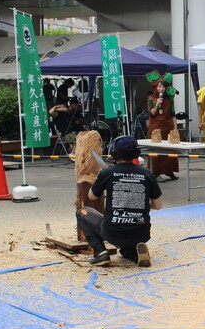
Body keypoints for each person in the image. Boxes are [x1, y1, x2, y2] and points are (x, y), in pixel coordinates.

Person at [76, 136, 162, 267]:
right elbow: (158, 205)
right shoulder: (147, 173)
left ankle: (100, 253)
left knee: (82, 212)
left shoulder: (108, 172)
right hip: (141, 234)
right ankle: (133, 252)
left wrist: (101, 180)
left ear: (114, 153)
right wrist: (138, 203)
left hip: (113, 232)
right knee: (126, 246)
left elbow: (91, 196)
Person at [147, 74, 179, 181]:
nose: (161, 89)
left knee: (169, 149)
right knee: (157, 149)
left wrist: (175, 127)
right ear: (156, 87)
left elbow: (173, 113)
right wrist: (157, 104)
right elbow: (151, 113)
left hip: (168, 126)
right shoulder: (151, 99)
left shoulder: (169, 99)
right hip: (155, 127)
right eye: (159, 86)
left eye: (163, 87)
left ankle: (169, 171)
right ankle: (155, 173)